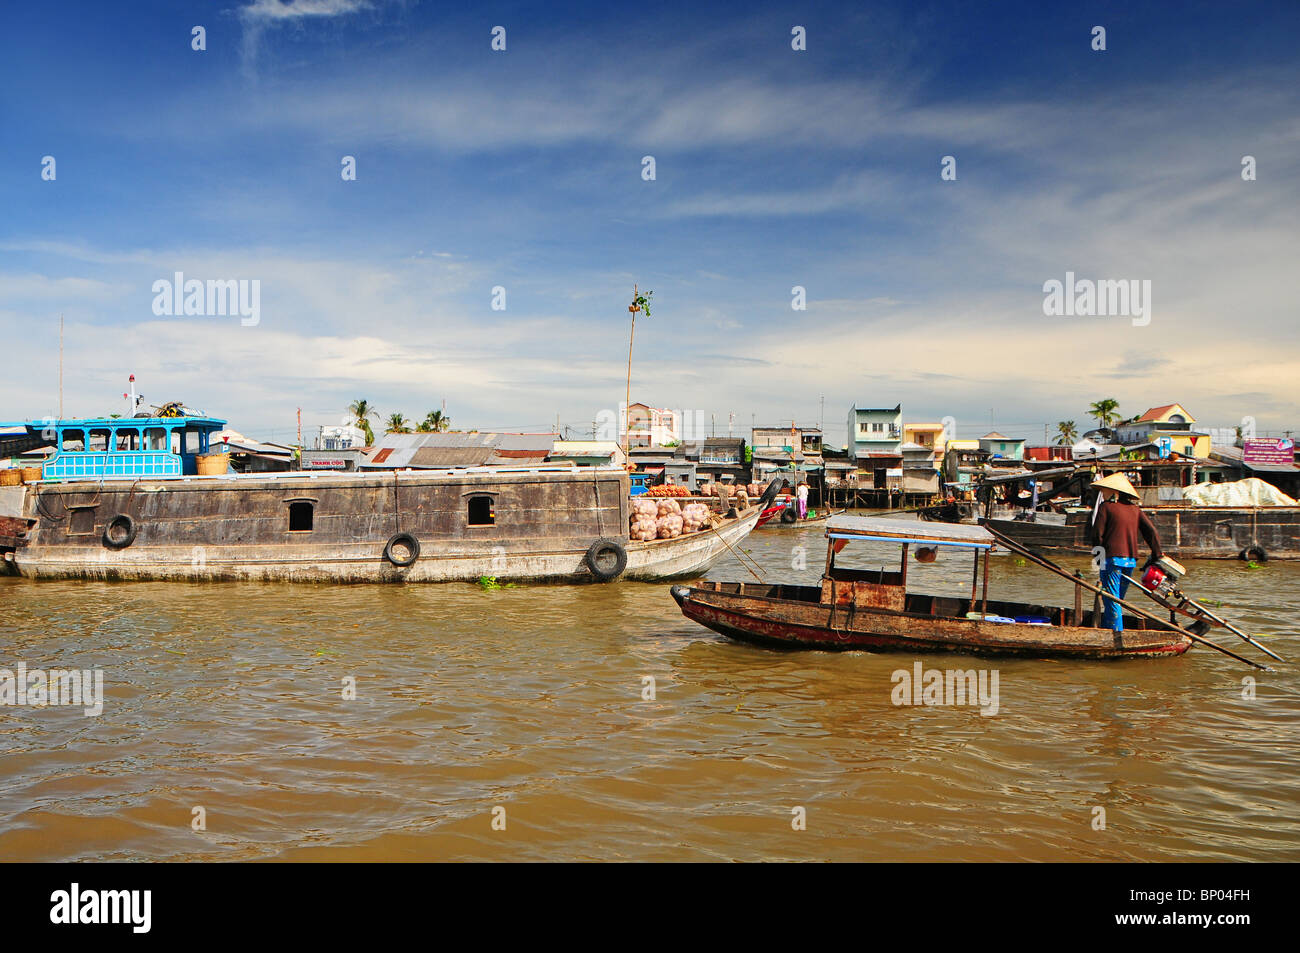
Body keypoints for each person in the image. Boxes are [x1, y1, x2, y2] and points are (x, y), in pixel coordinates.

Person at [1089, 473, 1163, 634]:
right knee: (1117, 600)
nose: (1103, 494)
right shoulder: (1135, 510)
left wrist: (1098, 559)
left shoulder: (1106, 507)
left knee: (1112, 600)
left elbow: (1097, 535)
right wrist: (1158, 555)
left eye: (1106, 491)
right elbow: (1151, 532)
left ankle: (1116, 634)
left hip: (1112, 560)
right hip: (1130, 561)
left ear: (1115, 492)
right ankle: (1110, 629)